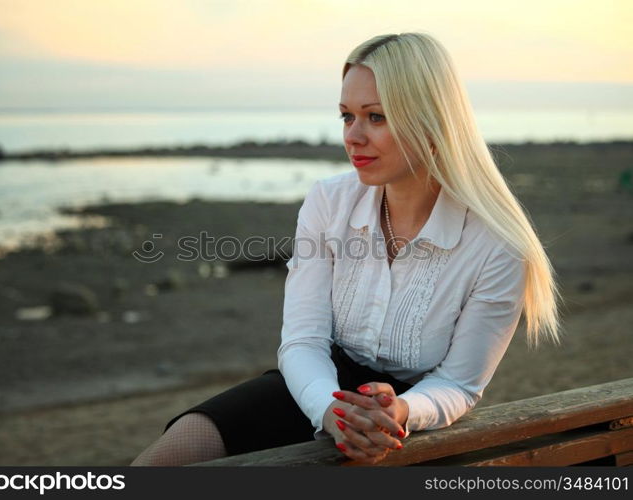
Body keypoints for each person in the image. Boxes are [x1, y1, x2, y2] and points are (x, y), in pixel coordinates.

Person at [130, 32, 561, 466]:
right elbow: (302, 341)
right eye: (346, 116)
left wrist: (402, 411)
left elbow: (460, 383)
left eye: (375, 117)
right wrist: (330, 410)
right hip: (319, 386)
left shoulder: (499, 245)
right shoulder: (328, 201)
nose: (353, 137)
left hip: (410, 416)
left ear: (431, 121)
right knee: (173, 452)